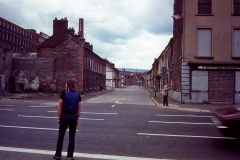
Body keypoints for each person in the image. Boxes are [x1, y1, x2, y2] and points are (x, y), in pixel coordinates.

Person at [53, 80, 81, 160]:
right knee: (72, 137)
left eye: (66, 84)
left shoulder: (64, 93)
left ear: (68, 85)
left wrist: (59, 118)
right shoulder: (77, 95)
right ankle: (70, 156)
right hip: (73, 117)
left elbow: (59, 107)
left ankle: (58, 155)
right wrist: (77, 120)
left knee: (61, 136)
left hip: (64, 116)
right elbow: (79, 110)